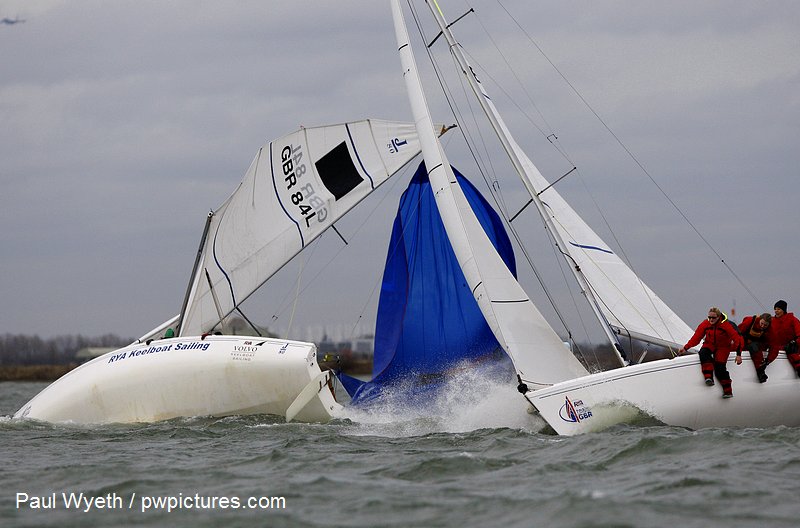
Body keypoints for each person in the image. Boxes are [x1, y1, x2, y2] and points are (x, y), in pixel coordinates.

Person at [678, 307, 743, 398]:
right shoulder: (705, 324)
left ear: (719, 317)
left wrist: (738, 354)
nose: (711, 320)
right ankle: (708, 377)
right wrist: (685, 348)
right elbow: (696, 337)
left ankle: (728, 391)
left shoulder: (726, 325)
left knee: (720, 368)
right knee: (703, 352)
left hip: (723, 347)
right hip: (709, 344)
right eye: (709, 317)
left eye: (713, 318)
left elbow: (737, 339)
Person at [767, 300, 800, 377]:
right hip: (777, 348)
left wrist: (795, 343)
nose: (776, 311)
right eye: (775, 309)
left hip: (792, 348)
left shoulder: (792, 320)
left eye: (778, 309)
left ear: (783, 310)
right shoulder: (772, 321)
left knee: (792, 352)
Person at [738, 313, 772, 382]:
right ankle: (760, 371)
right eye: (761, 323)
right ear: (759, 319)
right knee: (754, 347)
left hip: (755, 346)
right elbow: (737, 333)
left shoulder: (769, 330)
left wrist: (769, 359)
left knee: (756, 347)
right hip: (743, 343)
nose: (762, 326)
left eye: (765, 325)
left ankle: (760, 371)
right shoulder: (750, 321)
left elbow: (774, 344)